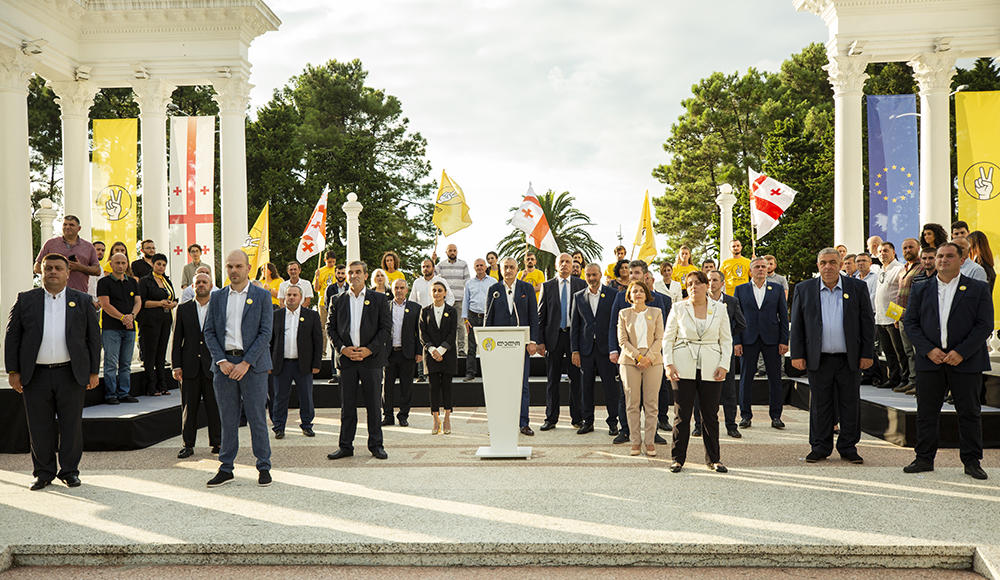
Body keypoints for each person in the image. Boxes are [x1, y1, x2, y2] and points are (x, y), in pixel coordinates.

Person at [5, 253, 100, 490]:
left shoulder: (82, 301)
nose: (53, 272)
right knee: (38, 426)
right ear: (41, 272)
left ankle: (69, 471)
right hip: (35, 375)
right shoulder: (26, 300)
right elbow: (12, 336)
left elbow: (93, 338)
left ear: (68, 273)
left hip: (71, 374)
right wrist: (13, 370)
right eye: (48, 268)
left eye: (58, 268)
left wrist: (93, 371)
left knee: (71, 425)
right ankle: (43, 472)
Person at [903, 243, 993, 480]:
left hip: (965, 361)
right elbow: (910, 322)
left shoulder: (977, 288)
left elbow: (984, 325)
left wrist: (961, 352)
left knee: (969, 412)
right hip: (930, 361)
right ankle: (924, 458)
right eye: (940, 256)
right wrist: (928, 350)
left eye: (949, 256)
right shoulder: (921, 287)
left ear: (961, 260)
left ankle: (972, 461)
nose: (943, 260)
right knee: (926, 411)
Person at [790, 248, 874, 465]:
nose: (828, 267)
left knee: (850, 403)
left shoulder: (857, 288)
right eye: (823, 263)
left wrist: (867, 353)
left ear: (840, 265)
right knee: (820, 404)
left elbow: (867, 323)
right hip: (819, 359)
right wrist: (797, 354)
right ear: (818, 266)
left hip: (850, 359)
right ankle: (820, 446)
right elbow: (797, 325)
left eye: (832, 262)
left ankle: (848, 447)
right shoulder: (804, 289)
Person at [203, 250, 275, 488]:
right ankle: (226, 467)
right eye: (229, 266)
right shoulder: (218, 297)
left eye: (238, 266)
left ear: (247, 268)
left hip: (252, 366)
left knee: (257, 417)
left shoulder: (262, 296)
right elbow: (210, 332)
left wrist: (246, 363)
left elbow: (266, 333)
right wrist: (221, 361)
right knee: (228, 418)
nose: (233, 271)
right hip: (224, 366)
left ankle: (263, 466)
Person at [664, 271, 731, 472]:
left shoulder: (720, 309)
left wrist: (724, 365)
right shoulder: (678, 308)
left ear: (705, 286)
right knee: (682, 414)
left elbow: (726, 340)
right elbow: (668, 338)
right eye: (689, 284)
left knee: (710, 414)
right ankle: (677, 459)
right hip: (683, 365)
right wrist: (669, 364)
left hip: (712, 366)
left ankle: (714, 459)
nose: (693, 287)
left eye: (698, 283)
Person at [327, 261, 391, 461]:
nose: (353, 275)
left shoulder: (379, 299)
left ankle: (376, 445)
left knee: (373, 405)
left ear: (365, 275)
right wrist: (343, 349)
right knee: (347, 406)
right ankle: (345, 446)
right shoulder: (337, 300)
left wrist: (368, 350)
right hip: (347, 361)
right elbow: (330, 329)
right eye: (350, 272)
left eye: (357, 272)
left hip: (370, 360)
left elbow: (385, 329)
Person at [608, 260, 672, 446]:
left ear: (645, 275)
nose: (632, 275)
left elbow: (663, 332)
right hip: (629, 358)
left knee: (654, 396)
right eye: (630, 272)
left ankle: (654, 434)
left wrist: (652, 356)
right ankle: (626, 431)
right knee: (627, 397)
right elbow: (614, 326)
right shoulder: (621, 298)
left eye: (636, 272)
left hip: (653, 358)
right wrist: (614, 350)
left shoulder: (658, 300)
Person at [485, 257, 541, 436]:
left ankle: (523, 423)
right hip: (499, 347)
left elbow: (533, 316)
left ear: (517, 269)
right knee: (501, 386)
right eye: (505, 267)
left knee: (522, 386)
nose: (508, 270)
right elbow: (489, 317)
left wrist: (533, 341)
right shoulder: (494, 290)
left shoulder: (527, 288)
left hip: (521, 345)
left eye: (511, 267)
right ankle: (501, 422)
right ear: (500, 270)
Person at [734, 256, 789, 429]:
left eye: (763, 267)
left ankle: (776, 416)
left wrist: (784, 340)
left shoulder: (777, 289)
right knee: (745, 379)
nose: (760, 269)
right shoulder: (740, 290)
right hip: (748, 339)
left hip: (772, 339)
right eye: (757, 267)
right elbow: (736, 318)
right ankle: (745, 416)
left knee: (775, 379)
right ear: (750, 270)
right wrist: (737, 342)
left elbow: (783, 316)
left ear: (767, 269)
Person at [171, 272, 222, 459]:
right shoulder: (183, 309)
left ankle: (217, 442)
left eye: (204, 282)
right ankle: (188, 444)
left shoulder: (218, 308)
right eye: (197, 282)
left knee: (214, 407)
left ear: (211, 285)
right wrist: (176, 365)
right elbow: (177, 340)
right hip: (189, 366)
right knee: (188, 408)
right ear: (193, 286)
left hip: (212, 367)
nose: (201, 285)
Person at [538, 253, 588, 431]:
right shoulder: (548, 286)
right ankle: (550, 418)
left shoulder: (581, 285)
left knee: (576, 379)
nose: (565, 264)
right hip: (554, 338)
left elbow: (585, 316)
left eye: (569, 262)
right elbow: (541, 316)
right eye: (562, 262)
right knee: (552, 380)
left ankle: (577, 418)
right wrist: (540, 341)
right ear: (556, 265)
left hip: (574, 339)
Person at [694, 270, 746, 439]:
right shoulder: (699, 301)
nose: (711, 283)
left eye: (715, 280)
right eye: (708, 280)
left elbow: (741, 323)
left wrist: (727, 335)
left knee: (728, 390)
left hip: (724, 351)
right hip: (703, 351)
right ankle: (698, 425)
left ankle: (731, 425)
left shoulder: (731, 301)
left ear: (722, 283)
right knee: (700, 389)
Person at [616, 280, 664, 457]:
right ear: (629, 295)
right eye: (634, 291)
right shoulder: (623, 314)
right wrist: (638, 357)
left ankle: (650, 442)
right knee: (632, 403)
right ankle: (635, 442)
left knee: (651, 404)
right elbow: (622, 340)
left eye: (641, 291)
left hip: (653, 362)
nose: (638, 294)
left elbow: (660, 338)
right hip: (630, 362)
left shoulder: (656, 312)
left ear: (646, 294)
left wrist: (648, 358)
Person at [571, 263, 619, 435]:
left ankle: (613, 422)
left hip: (607, 350)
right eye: (588, 275)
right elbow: (575, 325)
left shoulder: (613, 295)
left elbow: (616, 324)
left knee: (610, 388)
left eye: (594, 275)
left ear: (600, 275)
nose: (591, 278)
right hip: (586, 350)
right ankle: (588, 421)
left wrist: (616, 349)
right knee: (586, 388)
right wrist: (574, 350)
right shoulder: (578, 296)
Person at [269, 285, 322, 439]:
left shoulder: (311, 315)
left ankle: (307, 425)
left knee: (306, 397)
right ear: (285, 297)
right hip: (281, 364)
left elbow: (317, 341)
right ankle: (278, 427)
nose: (291, 297)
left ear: (300, 297)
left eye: (294, 295)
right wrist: (268, 363)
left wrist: (316, 364)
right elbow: (269, 341)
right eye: (289, 295)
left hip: (303, 364)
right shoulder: (276, 315)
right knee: (279, 397)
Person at [96, 252, 141, 404]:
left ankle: (124, 393)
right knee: (110, 362)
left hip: (130, 328)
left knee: (126, 363)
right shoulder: (104, 282)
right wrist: (123, 318)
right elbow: (105, 304)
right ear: (111, 264)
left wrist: (132, 316)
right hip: (111, 328)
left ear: (127, 264)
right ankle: (111, 395)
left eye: (123, 263)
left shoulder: (133, 282)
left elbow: (138, 302)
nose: (121, 266)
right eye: (117, 263)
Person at [421, 281, 458, 435]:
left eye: (439, 290)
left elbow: (452, 333)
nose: (437, 293)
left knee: (447, 387)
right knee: (433, 387)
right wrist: (432, 350)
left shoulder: (452, 311)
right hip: (430, 355)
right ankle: (436, 419)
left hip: (447, 354)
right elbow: (423, 333)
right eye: (434, 290)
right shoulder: (424, 311)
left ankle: (447, 417)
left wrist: (441, 350)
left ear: (445, 293)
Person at [383, 278, 421, 427]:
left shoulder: (416, 308)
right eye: (396, 288)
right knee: (387, 387)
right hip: (389, 353)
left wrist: (419, 352)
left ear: (407, 290)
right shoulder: (385, 307)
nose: (399, 291)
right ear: (392, 290)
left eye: (401, 288)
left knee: (406, 387)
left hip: (408, 353)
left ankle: (403, 415)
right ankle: (387, 416)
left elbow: (419, 333)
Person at [137, 253, 177, 396]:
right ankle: (151, 387)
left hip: (165, 320)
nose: (161, 267)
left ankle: (163, 385)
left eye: (164, 265)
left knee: (161, 353)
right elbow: (142, 302)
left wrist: (173, 304)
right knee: (150, 354)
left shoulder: (166, 281)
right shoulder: (145, 281)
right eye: (158, 264)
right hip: (150, 321)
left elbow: (174, 297)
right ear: (153, 265)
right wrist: (159, 303)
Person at [33, 215, 101, 293]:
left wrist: (80, 267)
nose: (67, 227)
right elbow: (36, 267)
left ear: (79, 228)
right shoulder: (51, 244)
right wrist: (56, 270)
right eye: (65, 224)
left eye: (71, 225)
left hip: (79, 293)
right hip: (53, 294)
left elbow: (97, 271)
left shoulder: (88, 246)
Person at [874, 241, 908, 391]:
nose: (883, 254)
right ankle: (893, 378)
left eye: (886, 251)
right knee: (888, 352)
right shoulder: (881, 270)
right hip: (880, 316)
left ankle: (905, 379)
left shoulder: (899, 269)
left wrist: (897, 316)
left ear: (893, 252)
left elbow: (901, 294)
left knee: (899, 351)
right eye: (880, 251)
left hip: (893, 316)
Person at [893, 238, 923, 394]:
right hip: (903, 318)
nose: (907, 250)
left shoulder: (922, 267)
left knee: (917, 351)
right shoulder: (903, 269)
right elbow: (899, 295)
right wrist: (896, 317)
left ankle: (920, 383)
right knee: (908, 352)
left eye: (911, 247)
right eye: (904, 248)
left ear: (918, 248)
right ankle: (912, 381)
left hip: (915, 318)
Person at [434, 244, 471, 355]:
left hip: (459, 299)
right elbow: (433, 278)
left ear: (457, 252)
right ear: (446, 252)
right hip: (445, 300)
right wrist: (433, 261)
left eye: (454, 250)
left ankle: (460, 349)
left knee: (460, 325)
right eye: (450, 250)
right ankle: (446, 348)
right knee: (445, 325)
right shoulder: (440, 265)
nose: (452, 252)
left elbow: (467, 282)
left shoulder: (463, 264)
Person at [855, 253, 883, 387]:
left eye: (864, 261)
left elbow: (872, 297)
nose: (861, 263)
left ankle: (876, 375)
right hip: (855, 316)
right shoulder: (854, 278)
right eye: (858, 261)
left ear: (870, 263)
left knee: (870, 346)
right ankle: (866, 374)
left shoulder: (875, 278)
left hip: (870, 314)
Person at [463, 258, 493, 381]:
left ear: (486, 267)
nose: (480, 267)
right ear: (474, 268)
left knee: (490, 346)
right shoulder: (469, 283)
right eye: (477, 265)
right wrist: (465, 319)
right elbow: (466, 300)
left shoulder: (493, 282)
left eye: (482, 265)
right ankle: (470, 373)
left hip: (488, 317)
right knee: (471, 347)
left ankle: (489, 372)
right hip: (473, 317)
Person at [313, 251, 340, 356]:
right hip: (323, 303)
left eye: (333, 262)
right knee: (323, 327)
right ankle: (323, 351)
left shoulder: (338, 270)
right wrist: (317, 277)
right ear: (325, 260)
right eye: (329, 262)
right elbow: (316, 289)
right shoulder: (321, 271)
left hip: (336, 302)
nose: (331, 264)